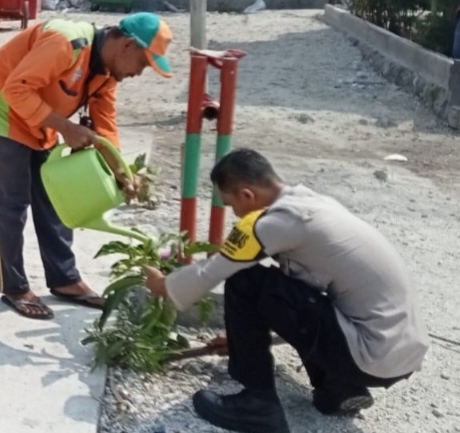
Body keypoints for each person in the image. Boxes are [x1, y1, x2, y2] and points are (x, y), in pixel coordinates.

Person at [142, 149, 428, 433]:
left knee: (246, 281)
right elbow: (308, 302)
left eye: (231, 205)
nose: (235, 214)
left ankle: (257, 404)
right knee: (290, 286)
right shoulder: (311, 202)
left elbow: (216, 270)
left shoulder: (281, 222)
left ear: (247, 195)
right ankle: (339, 388)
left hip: (370, 354)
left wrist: (164, 285)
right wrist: (246, 339)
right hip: (398, 354)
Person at [0, 13, 174, 320]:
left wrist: (122, 173)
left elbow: (106, 128)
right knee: (12, 204)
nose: (140, 73)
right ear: (128, 46)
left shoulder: (106, 74)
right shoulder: (66, 42)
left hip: (44, 122)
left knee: (54, 200)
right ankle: (15, 287)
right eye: (144, 64)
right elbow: (16, 91)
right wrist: (65, 127)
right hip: (4, 113)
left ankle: (64, 279)